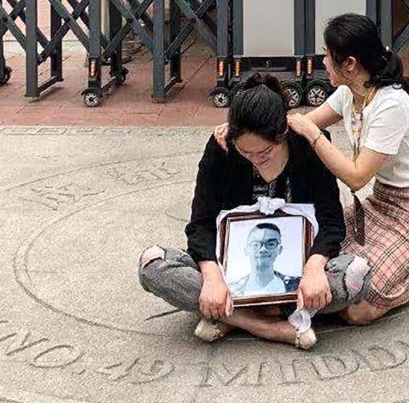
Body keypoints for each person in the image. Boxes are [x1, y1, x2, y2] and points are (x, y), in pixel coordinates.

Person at [219, 14, 409, 325]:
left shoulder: (391, 105)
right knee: (314, 253)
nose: (323, 62)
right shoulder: (349, 94)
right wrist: (242, 126)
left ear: (350, 64)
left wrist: (315, 137)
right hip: (381, 202)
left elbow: (356, 176)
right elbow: (297, 125)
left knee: (357, 308)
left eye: (327, 55)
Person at [138, 75, 371, 350]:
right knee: (153, 265)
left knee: (356, 275)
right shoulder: (220, 149)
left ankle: (231, 317)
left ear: (282, 134)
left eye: (266, 151)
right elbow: (201, 224)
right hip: (229, 275)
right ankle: (267, 325)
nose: (257, 158)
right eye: (246, 152)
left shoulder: (307, 147)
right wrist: (212, 278)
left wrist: (314, 267)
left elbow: (330, 221)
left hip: (297, 278)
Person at [227, 223, 300, 297]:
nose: (263, 249)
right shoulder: (230, 291)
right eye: (255, 244)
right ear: (246, 250)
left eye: (271, 244)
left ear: (280, 249)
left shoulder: (297, 284)